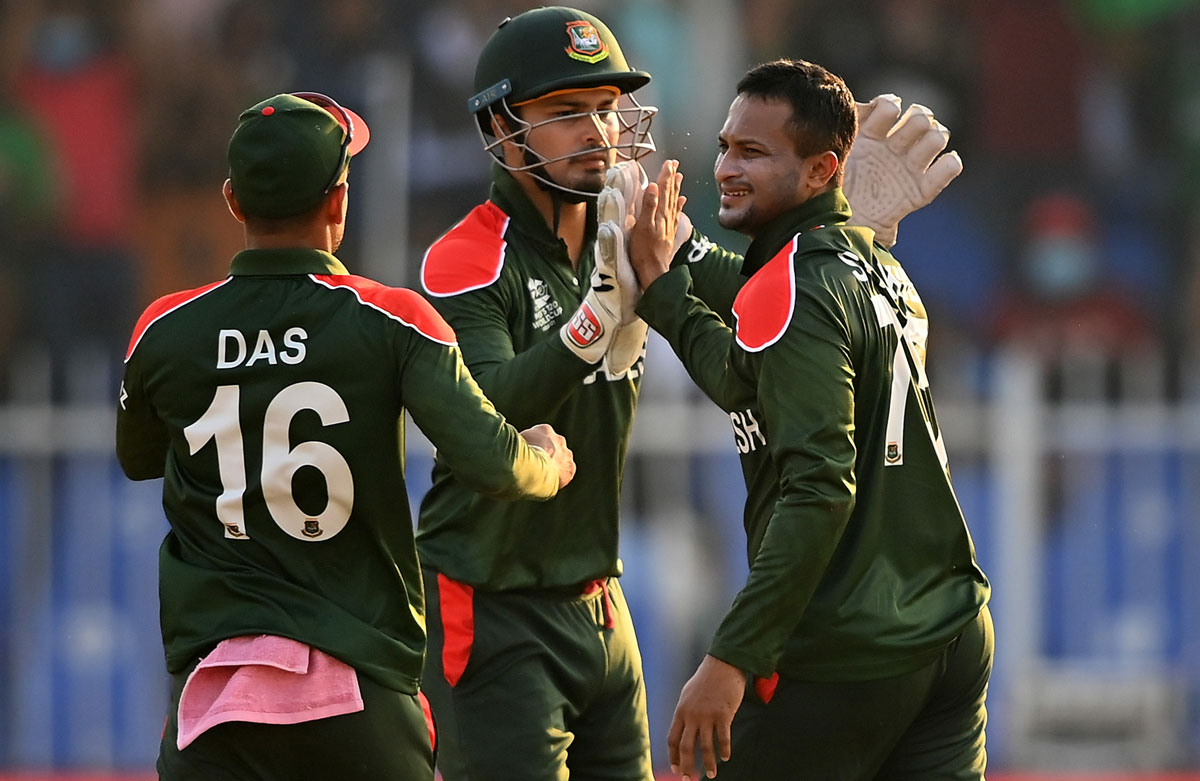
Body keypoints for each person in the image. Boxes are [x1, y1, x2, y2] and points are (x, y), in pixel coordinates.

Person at [416, 6, 965, 779]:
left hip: (602, 604)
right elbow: (490, 412)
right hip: (493, 601)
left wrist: (840, 233)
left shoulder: (631, 219)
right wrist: (596, 318)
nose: (599, 132)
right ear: (503, 128)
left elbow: (778, 313)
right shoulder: (466, 258)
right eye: (567, 113)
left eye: (608, 110)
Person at [115, 91, 576, 779]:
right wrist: (547, 459)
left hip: (216, 701)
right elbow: (492, 462)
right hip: (359, 690)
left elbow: (138, 457)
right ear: (339, 200)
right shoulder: (392, 319)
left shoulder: (163, 329)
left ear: (233, 201)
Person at [622, 58, 992, 780]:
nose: (727, 165)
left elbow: (819, 489)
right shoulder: (879, 267)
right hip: (950, 628)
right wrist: (673, 265)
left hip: (849, 641)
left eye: (752, 152)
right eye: (726, 145)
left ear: (824, 171)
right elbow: (755, 359)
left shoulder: (799, 290)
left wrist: (731, 658)